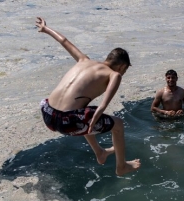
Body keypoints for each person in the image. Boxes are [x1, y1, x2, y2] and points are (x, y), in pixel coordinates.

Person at [35, 17, 141, 176]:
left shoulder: (83, 59)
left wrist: (45, 28)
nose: (123, 73)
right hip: (66, 122)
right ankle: (121, 166)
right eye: (125, 70)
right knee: (118, 124)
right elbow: (104, 105)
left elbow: (64, 41)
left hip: (47, 113)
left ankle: (99, 152)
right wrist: (93, 121)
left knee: (83, 109)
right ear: (121, 66)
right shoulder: (115, 75)